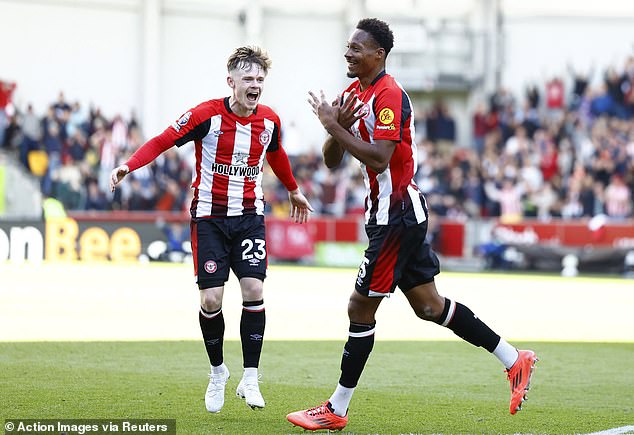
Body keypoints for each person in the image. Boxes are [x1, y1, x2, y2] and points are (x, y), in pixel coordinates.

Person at [286, 18, 537, 431]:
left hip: (396, 217)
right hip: (393, 214)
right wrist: (336, 129)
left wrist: (333, 125)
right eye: (347, 47)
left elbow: (381, 158)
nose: (348, 53)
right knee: (429, 306)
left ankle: (336, 408)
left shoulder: (389, 96)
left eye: (356, 48)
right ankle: (514, 359)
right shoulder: (353, 93)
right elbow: (333, 160)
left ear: (378, 55)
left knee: (359, 306)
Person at [110, 46, 313, 414]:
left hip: (250, 215)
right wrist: (130, 165)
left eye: (260, 80)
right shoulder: (206, 116)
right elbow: (162, 140)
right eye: (248, 79)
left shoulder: (269, 121)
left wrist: (294, 189)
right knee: (211, 300)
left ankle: (250, 376)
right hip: (209, 220)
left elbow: (277, 153)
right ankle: (218, 372)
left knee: (254, 288)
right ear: (231, 82)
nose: (255, 85)